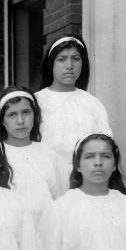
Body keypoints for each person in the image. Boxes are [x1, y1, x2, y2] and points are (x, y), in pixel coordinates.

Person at [35, 34, 112, 192]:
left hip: (83, 184)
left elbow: (105, 148)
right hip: (45, 182)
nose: (69, 65)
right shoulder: (37, 102)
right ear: (51, 64)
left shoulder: (92, 104)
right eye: (62, 59)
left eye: (76, 59)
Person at [0, 85, 59, 227]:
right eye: (12, 114)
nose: (20, 121)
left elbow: (59, 198)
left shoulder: (49, 155)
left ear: (35, 114)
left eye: (26, 112)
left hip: (45, 231)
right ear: (2, 120)